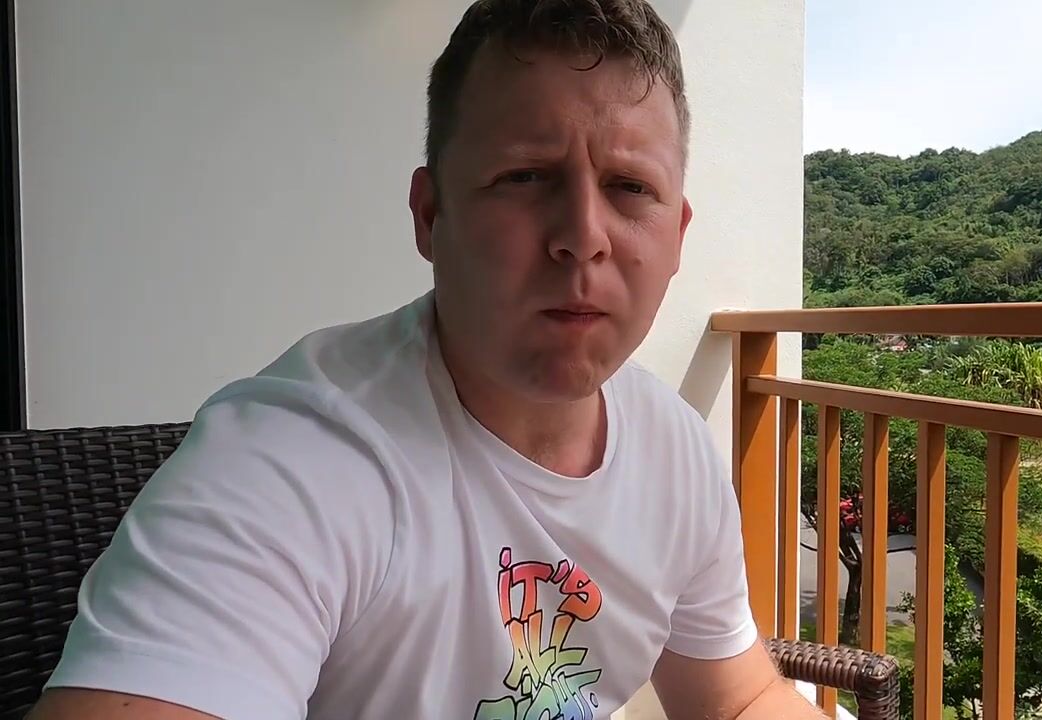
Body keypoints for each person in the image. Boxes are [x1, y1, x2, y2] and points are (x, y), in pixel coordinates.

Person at [28, 1, 826, 718]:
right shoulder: (300, 458)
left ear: (676, 236)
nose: (583, 235)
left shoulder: (676, 454)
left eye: (629, 187)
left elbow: (738, 699)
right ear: (429, 215)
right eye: (526, 177)